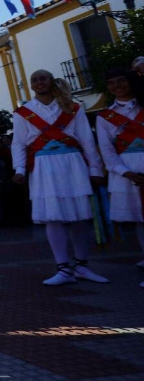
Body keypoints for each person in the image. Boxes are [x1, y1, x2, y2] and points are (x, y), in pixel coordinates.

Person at [12, 69, 107, 286]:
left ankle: (82, 266)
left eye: (42, 78)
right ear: (31, 85)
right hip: (44, 166)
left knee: (81, 217)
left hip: (73, 163)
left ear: (51, 81)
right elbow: (18, 143)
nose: (38, 82)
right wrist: (19, 169)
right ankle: (63, 268)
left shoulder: (72, 107)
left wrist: (95, 169)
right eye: (34, 80)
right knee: (53, 217)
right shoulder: (23, 112)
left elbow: (87, 140)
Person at [94, 68, 144, 288]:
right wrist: (126, 172)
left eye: (121, 80)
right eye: (112, 83)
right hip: (127, 172)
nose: (117, 86)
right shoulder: (105, 117)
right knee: (141, 220)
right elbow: (107, 151)